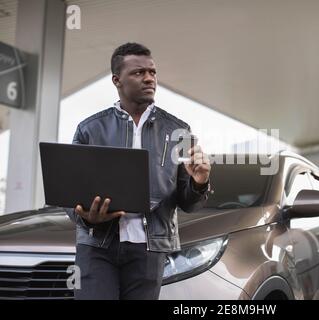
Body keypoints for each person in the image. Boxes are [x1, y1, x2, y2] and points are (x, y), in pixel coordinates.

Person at [65, 42, 211, 300]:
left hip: (149, 250)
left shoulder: (178, 131)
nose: (148, 78)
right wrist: (87, 218)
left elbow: (188, 203)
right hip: (97, 246)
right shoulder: (89, 129)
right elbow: (68, 192)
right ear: (116, 80)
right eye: (138, 72)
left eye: (152, 72)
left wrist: (200, 182)